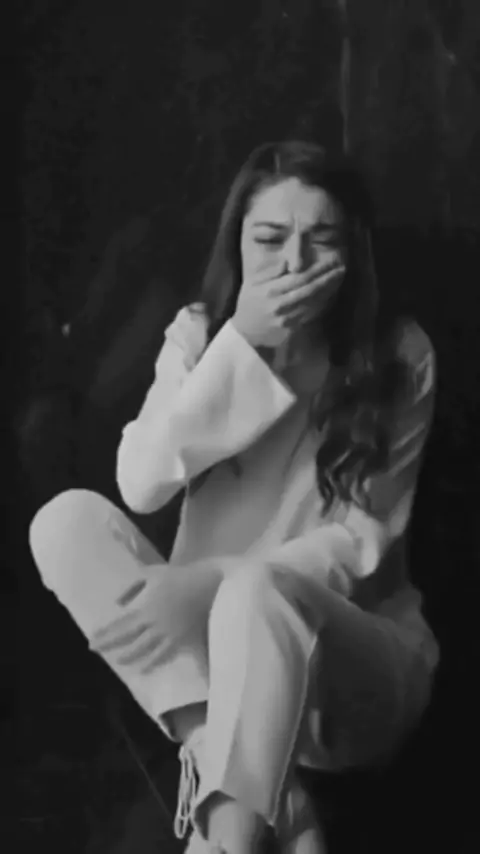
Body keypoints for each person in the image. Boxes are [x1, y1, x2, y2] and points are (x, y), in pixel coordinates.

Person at [29, 140, 439, 854]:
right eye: (270, 239)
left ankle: (228, 838)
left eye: (322, 240)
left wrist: (209, 584)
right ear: (239, 244)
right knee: (64, 523)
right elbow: (140, 481)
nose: (294, 263)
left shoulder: (400, 354)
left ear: (353, 253)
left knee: (257, 590)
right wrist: (242, 346)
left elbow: (361, 545)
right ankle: (241, 770)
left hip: (348, 672)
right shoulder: (199, 333)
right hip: (217, 668)